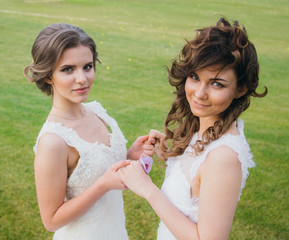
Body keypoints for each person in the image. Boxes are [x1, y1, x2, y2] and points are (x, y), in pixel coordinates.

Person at [118, 17, 267, 239]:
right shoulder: (206, 131)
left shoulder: (223, 157)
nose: (199, 93)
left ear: (240, 89)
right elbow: (196, 186)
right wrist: (169, 152)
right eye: (195, 77)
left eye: (217, 83)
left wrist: (148, 190)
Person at [23, 23, 147, 239]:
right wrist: (103, 185)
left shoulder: (97, 111)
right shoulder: (53, 141)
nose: (82, 78)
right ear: (49, 75)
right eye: (68, 69)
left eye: (87, 66)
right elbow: (51, 220)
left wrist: (130, 155)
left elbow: (97, 171)